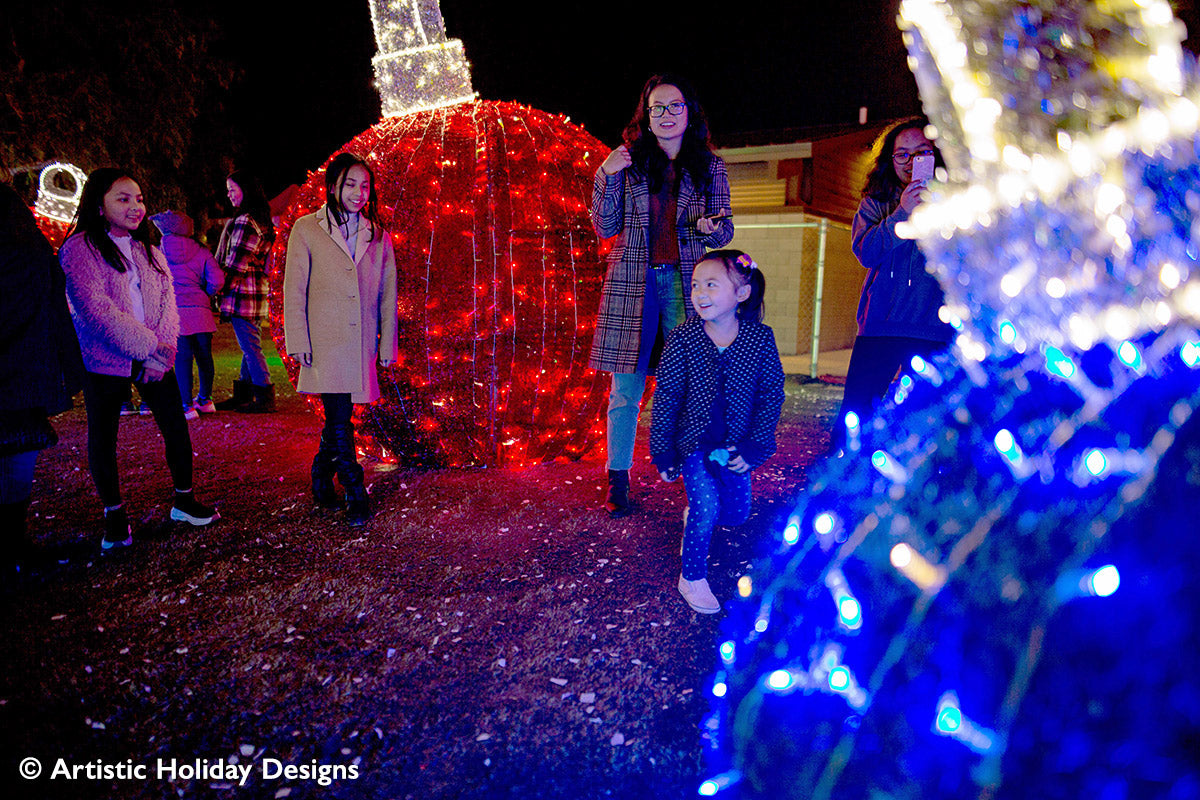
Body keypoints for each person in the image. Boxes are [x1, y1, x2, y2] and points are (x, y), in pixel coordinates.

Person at [589, 74, 733, 517]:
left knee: (694, 385)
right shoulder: (626, 161)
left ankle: (698, 476)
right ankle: (618, 478)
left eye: (674, 106)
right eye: (657, 108)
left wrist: (711, 228)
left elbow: (724, 228)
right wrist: (604, 176)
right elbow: (605, 227)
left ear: (689, 113)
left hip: (687, 286)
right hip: (632, 283)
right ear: (645, 115)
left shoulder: (710, 166)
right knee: (625, 389)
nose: (666, 115)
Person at [59, 168, 218, 550]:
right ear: (99, 205)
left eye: (139, 199)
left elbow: (168, 304)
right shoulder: (79, 248)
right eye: (123, 198)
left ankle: (184, 500)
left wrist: (159, 354)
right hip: (104, 359)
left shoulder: (151, 249)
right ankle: (114, 515)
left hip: (155, 360)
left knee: (175, 427)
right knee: (104, 435)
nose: (135, 207)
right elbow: (94, 310)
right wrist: (147, 348)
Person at [650, 249, 784, 613]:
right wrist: (662, 450)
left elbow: (771, 395)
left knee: (737, 513)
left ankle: (696, 516)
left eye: (711, 284)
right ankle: (691, 577)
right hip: (693, 445)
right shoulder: (682, 338)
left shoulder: (759, 339)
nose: (700, 293)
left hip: (736, 448)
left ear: (741, 294)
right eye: (695, 285)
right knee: (706, 508)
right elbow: (667, 395)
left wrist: (757, 445)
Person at [283, 153, 398, 527]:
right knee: (339, 416)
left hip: (360, 339)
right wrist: (297, 338)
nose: (359, 192)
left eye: (365, 185)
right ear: (333, 185)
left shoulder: (377, 234)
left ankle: (320, 474)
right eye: (350, 184)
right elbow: (294, 289)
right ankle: (354, 488)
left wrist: (386, 344)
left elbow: (387, 293)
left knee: (339, 416)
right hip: (324, 340)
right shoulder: (306, 228)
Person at [833, 117, 954, 451]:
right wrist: (902, 212)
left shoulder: (958, 201)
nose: (912, 162)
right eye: (902, 154)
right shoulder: (876, 202)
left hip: (934, 329)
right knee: (858, 411)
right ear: (890, 160)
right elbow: (866, 252)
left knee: (930, 419)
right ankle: (842, 483)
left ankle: (919, 490)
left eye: (922, 152)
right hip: (880, 327)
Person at [0, 184, 85, 568]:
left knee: (18, 448)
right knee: (18, 449)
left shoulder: (15, 226)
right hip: (25, 357)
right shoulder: (19, 229)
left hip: (23, 355)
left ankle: (12, 542)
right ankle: (12, 543)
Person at [151, 210, 223, 420]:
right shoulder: (202, 252)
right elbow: (217, 280)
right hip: (201, 312)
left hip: (176, 312)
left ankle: (186, 405)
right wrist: (206, 293)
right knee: (204, 357)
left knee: (182, 359)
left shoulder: (157, 252)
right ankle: (206, 399)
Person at [215, 170, 276, 413]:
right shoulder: (262, 220)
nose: (229, 195)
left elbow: (235, 264)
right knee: (249, 345)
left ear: (246, 190)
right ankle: (244, 394)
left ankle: (264, 396)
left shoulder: (245, 221)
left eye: (232, 189)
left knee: (251, 347)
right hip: (255, 293)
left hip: (243, 295)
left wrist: (218, 289)